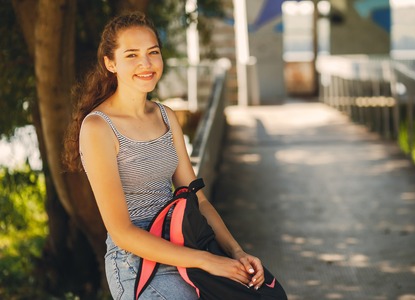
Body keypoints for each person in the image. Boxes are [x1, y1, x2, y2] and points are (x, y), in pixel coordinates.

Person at [63, 11, 265, 299]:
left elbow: (198, 199)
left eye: (153, 52)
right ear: (111, 63)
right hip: (135, 263)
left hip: (183, 244)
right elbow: (122, 232)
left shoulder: (165, 116)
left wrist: (236, 252)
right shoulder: (98, 127)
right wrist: (208, 261)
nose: (146, 64)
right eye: (131, 55)